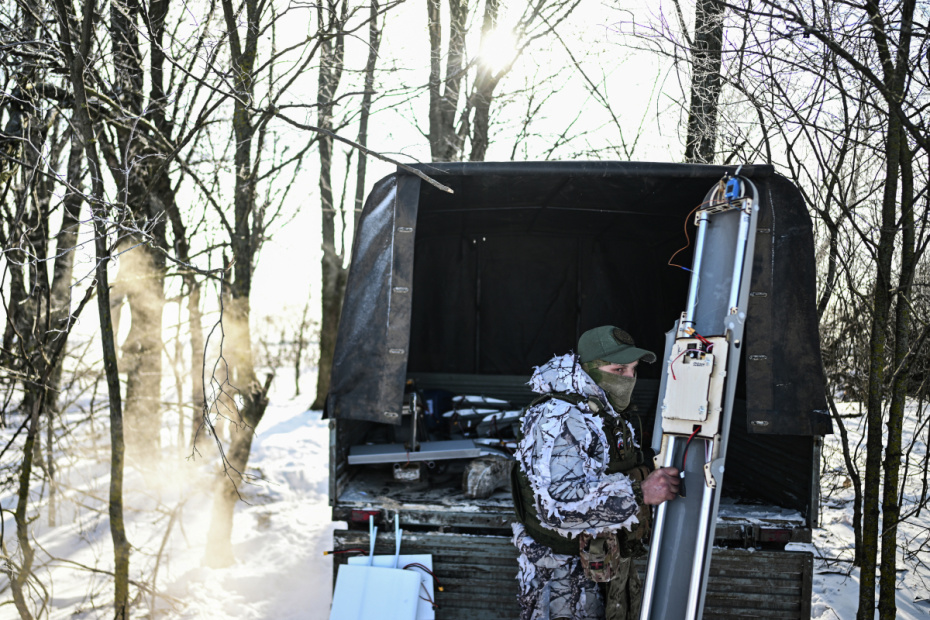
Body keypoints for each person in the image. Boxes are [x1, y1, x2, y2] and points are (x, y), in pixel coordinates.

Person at [511, 326, 680, 620]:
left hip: (605, 563)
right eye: (619, 369)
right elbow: (558, 506)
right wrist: (639, 493)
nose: (629, 378)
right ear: (589, 369)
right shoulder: (561, 417)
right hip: (565, 577)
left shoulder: (603, 409)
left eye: (633, 369)